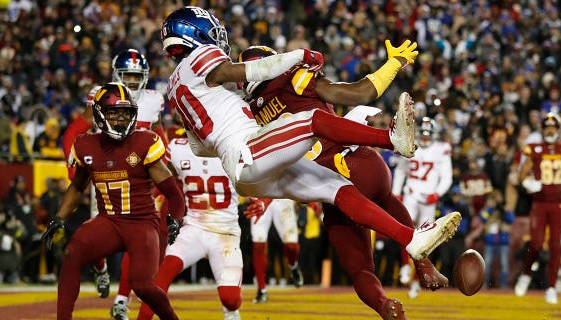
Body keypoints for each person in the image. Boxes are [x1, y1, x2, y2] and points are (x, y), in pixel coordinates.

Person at [161, 7, 461, 282]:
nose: (219, 42)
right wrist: (299, 55)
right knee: (313, 119)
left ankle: (411, 239)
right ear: (194, 35)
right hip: (249, 151)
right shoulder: (202, 60)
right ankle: (390, 140)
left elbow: (199, 147)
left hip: (247, 164)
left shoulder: (178, 88)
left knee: (336, 188)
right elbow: (249, 71)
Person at [238, 44, 449, 319]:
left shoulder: (249, 117)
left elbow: (272, 165)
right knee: (386, 198)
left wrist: (266, 197)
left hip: (322, 188)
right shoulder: (295, 78)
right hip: (355, 164)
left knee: (361, 269)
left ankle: (383, 304)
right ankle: (423, 264)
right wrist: (394, 63)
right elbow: (361, 92)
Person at [41, 82, 186, 320]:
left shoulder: (144, 142)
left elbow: (172, 191)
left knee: (142, 285)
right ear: (99, 113)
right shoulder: (86, 145)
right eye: (114, 112)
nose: (120, 118)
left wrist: (176, 218)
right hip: (109, 221)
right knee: (72, 253)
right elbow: (77, 186)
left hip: (141, 222)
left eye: (125, 112)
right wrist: (59, 217)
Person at [61, 49, 169, 320]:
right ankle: (100, 269)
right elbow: (74, 132)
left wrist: (163, 163)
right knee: (95, 238)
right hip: (105, 175)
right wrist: (74, 169)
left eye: (136, 76)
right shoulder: (103, 94)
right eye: (127, 75)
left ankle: (122, 299)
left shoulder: (153, 99)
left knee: (137, 238)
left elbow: (157, 134)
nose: (132, 82)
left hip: (136, 178)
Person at [138, 131, 244, 320]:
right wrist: (148, 198)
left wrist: (263, 201)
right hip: (194, 226)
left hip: (225, 233)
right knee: (160, 279)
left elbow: (262, 180)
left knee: (230, 299)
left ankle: (231, 311)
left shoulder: (234, 147)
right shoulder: (177, 148)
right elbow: (163, 179)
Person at [514, 112, 561, 304]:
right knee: (536, 244)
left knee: (556, 246)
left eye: (553, 127)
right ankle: (526, 273)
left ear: (558, 130)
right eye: (546, 127)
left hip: (559, 204)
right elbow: (521, 175)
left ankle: (551, 287)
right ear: (542, 130)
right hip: (540, 203)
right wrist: (528, 183)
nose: (550, 130)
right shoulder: (534, 149)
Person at [392, 116, 453, 298]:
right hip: (411, 193)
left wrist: (438, 193)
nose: (425, 138)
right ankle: (404, 266)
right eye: (423, 134)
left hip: (429, 198)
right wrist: (396, 192)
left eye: (429, 135)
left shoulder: (441, 150)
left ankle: (418, 280)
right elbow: (401, 170)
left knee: (426, 241)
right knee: (405, 229)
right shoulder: (411, 144)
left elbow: (447, 177)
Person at [246, 197, 303, 303]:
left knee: (291, 245)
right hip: (260, 193)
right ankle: (262, 290)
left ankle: (293, 265)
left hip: (280, 195)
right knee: (258, 244)